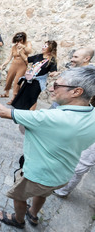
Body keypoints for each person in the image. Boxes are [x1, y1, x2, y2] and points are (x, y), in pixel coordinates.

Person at [0, 66, 95, 229]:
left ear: (76, 91)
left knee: (19, 196)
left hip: (37, 175)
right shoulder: (91, 113)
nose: (51, 88)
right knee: (42, 194)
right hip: (62, 175)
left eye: (57, 85)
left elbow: (3, 112)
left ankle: (18, 219)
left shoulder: (52, 117)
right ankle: (33, 214)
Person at [51, 47, 95, 198]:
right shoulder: (82, 72)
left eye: (76, 56)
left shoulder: (91, 73)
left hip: (87, 121)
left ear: (86, 59)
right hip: (77, 117)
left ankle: (62, 190)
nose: (72, 58)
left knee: (83, 162)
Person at [11, 41, 58, 110]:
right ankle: (21, 111)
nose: (43, 47)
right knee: (24, 94)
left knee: (33, 98)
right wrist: (21, 52)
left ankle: (31, 114)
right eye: (43, 45)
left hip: (38, 82)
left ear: (50, 48)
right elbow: (27, 59)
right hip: (29, 79)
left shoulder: (52, 60)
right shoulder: (39, 56)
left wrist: (55, 73)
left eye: (45, 46)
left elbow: (53, 72)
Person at [0, 32, 32, 104]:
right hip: (14, 64)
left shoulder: (27, 44)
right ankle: (7, 93)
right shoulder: (14, 47)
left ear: (24, 39)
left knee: (17, 82)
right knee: (9, 78)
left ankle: (14, 98)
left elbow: (30, 51)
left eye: (20, 40)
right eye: (17, 41)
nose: (18, 42)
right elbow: (9, 58)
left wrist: (23, 46)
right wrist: (3, 65)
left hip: (22, 65)